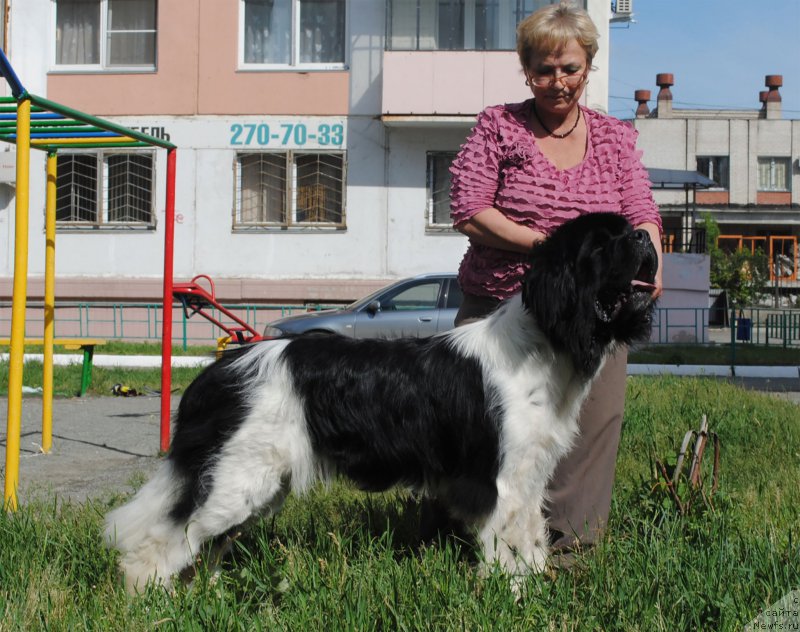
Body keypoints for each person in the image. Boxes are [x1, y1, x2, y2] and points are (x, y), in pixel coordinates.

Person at [448, 2, 663, 557]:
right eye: (544, 69)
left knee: (588, 432)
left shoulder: (614, 138)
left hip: (593, 313)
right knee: (474, 434)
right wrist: (551, 249)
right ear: (526, 70)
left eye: (569, 67)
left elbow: (641, 210)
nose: (557, 81)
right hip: (502, 314)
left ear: (588, 66)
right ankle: (464, 542)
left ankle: (570, 550)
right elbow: (470, 208)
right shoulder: (499, 126)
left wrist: (650, 259)